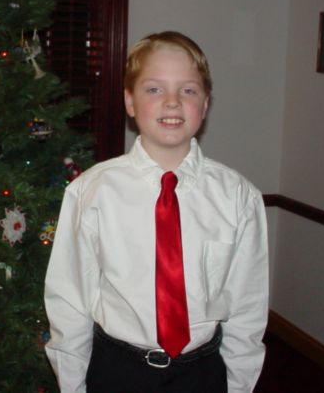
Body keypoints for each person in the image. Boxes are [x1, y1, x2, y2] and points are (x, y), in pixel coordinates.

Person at [44, 31, 269, 393]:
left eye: (188, 90)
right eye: (154, 89)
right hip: (117, 371)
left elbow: (247, 306)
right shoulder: (91, 192)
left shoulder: (239, 198)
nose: (172, 102)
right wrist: (73, 385)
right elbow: (69, 300)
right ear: (129, 102)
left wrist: (238, 385)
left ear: (205, 104)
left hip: (202, 373)